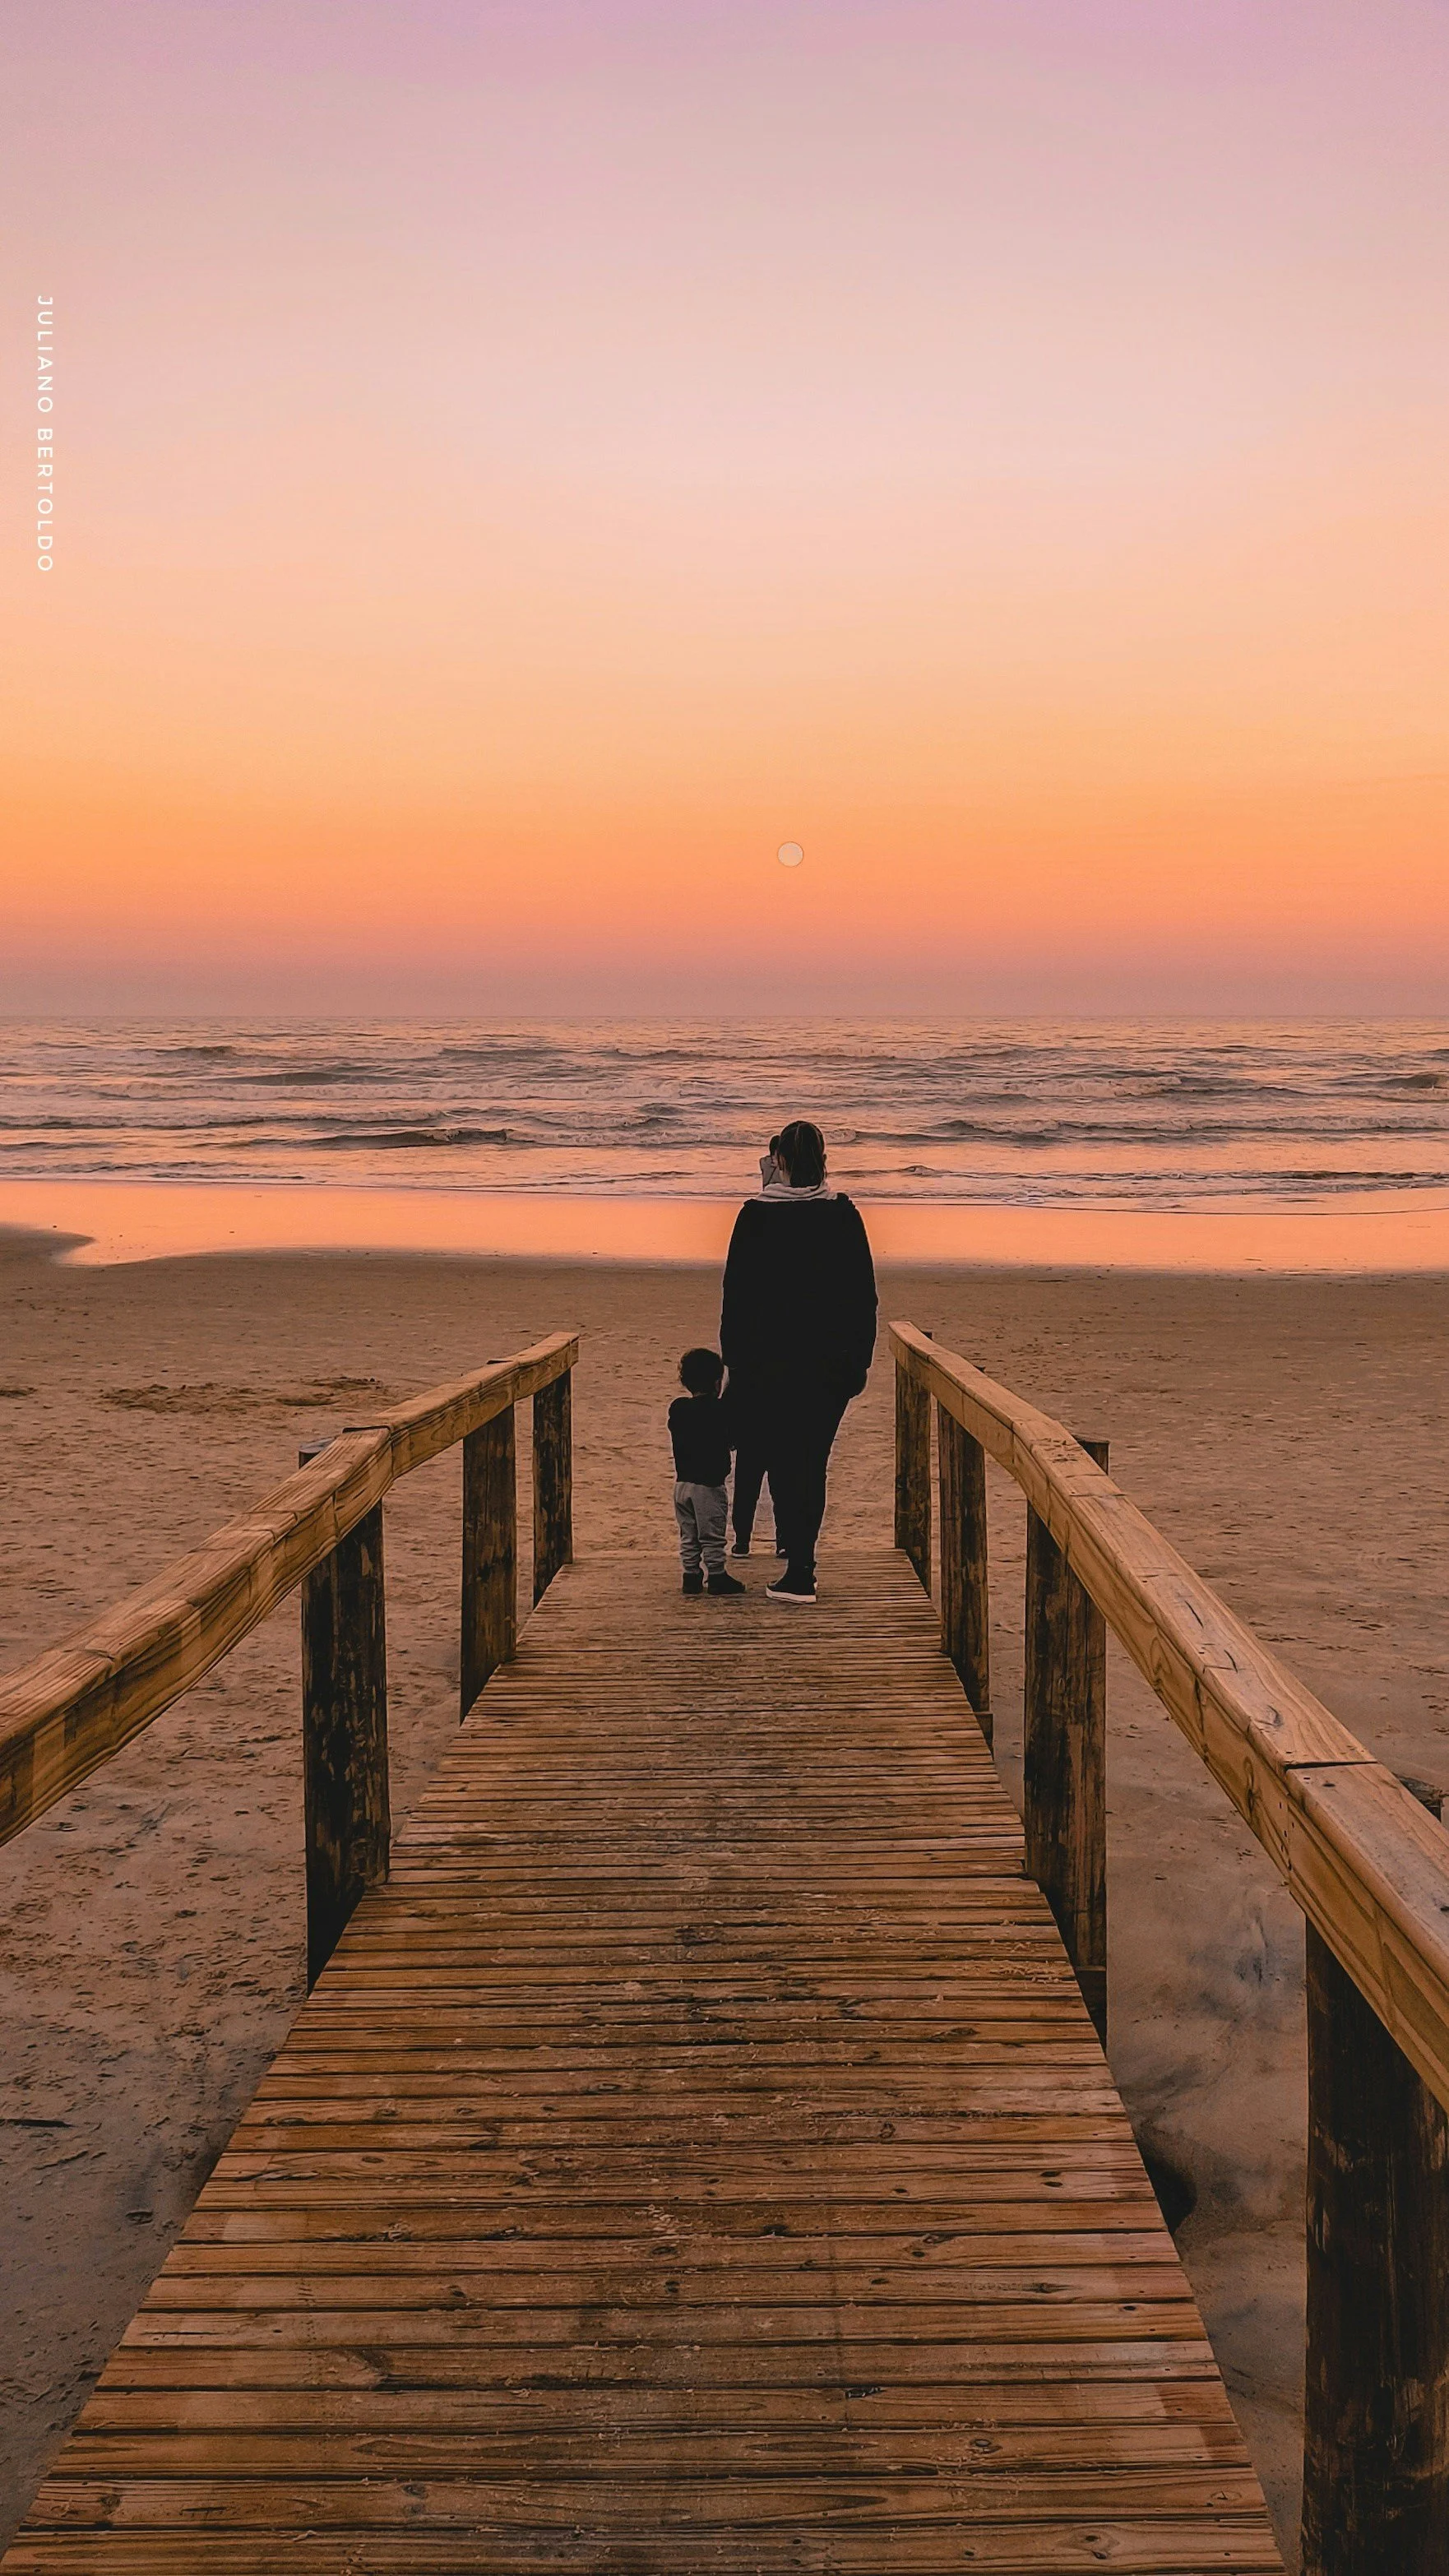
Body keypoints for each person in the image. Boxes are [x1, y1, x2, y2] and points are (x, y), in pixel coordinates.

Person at [720, 1119, 877, 1604]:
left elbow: (736, 1296)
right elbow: (862, 1295)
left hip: (767, 1365)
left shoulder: (755, 1215)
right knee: (812, 1461)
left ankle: (800, 1571)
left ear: (779, 1161)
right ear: (825, 1162)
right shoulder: (843, 1213)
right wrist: (857, 1364)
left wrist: (735, 1363)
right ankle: (802, 1565)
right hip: (827, 1367)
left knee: (785, 1462)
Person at [729, 1137, 780, 1557]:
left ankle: (743, 1542)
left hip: (752, 1408)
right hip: (778, 1410)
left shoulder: (759, 1209)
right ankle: (780, 1543)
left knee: (748, 1480)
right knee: (779, 1478)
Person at [668, 1347, 746, 1597]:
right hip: (709, 1485)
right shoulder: (720, 1411)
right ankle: (716, 1575)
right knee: (711, 1534)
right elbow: (733, 1438)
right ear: (717, 1382)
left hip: (682, 1485)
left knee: (688, 1533)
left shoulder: (678, 1409)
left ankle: (691, 1575)